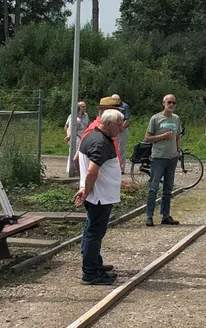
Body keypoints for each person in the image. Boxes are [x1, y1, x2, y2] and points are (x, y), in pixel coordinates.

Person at [75, 108, 124, 285]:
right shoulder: (100, 143)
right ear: (109, 124)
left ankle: (95, 264)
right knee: (94, 234)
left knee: (93, 231)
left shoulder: (90, 136)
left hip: (97, 195)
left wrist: (83, 187)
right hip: (100, 196)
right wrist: (86, 190)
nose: (121, 128)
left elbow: (78, 161)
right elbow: (91, 171)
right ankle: (90, 273)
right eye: (119, 125)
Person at [143, 94, 182, 227]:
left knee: (168, 188)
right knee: (154, 187)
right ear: (163, 103)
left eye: (174, 103)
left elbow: (177, 137)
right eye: (169, 102)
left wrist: (178, 151)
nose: (171, 105)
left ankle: (165, 215)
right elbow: (147, 138)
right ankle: (149, 216)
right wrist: (162, 136)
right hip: (158, 157)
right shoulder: (156, 118)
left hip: (172, 157)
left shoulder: (176, 119)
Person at [73, 97, 122, 174]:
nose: (119, 114)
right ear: (104, 111)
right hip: (101, 182)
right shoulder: (94, 129)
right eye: (115, 111)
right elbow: (77, 158)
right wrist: (85, 182)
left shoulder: (108, 129)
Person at [112, 94, 131, 174]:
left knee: (121, 148)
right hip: (113, 129)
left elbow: (127, 119)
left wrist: (121, 128)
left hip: (122, 129)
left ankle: (121, 168)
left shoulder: (125, 106)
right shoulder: (111, 105)